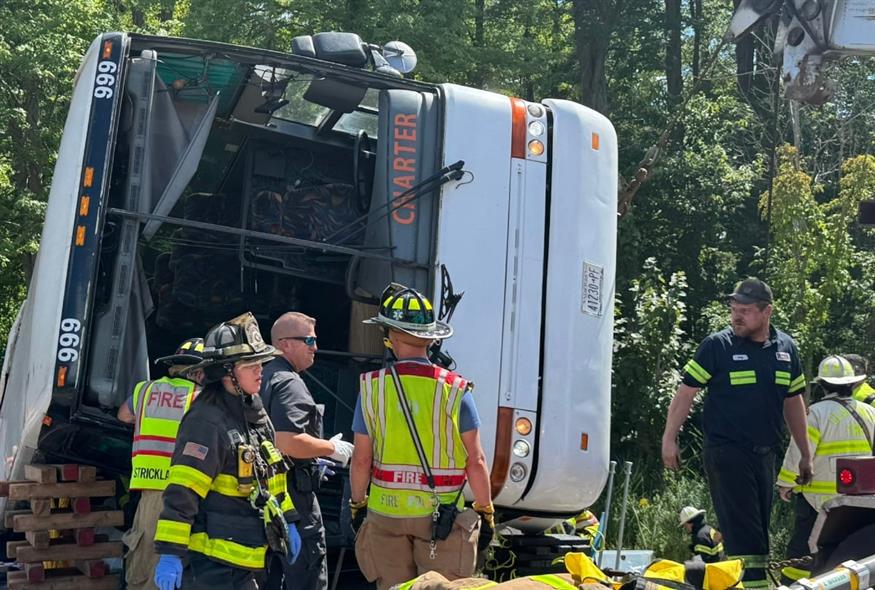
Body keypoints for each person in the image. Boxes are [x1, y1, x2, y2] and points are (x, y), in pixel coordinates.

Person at [661, 277, 812, 589]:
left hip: (764, 454)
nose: (736, 316)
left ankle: (720, 577)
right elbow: (686, 393)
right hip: (726, 451)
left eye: (744, 310)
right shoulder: (718, 346)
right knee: (749, 536)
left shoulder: (786, 349)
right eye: (733, 309)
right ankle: (753, 585)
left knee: (756, 531)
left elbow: (794, 402)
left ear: (767, 311)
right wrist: (669, 438)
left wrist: (805, 453)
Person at [349, 283, 494, 590]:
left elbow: (361, 459)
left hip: (386, 514)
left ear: (391, 337)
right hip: (440, 519)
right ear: (430, 337)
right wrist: (485, 509)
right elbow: (476, 460)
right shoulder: (456, 390)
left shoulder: (372, 388)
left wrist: (357, 503)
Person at [153, 312, 302, 590]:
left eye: (261, 362)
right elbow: (183, 491)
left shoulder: (254, 413)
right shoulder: (206, 421)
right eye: (250, 364)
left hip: (248, 560)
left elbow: (273, 475)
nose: (260, 370)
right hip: (211, 566)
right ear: (226, 372)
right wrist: (170, 551)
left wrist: (290, 519)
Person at [260, 311, 355, 590]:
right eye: (309, 340)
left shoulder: (261, 376)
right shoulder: (289, 382)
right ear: (286, 343)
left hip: (263, 497)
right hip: (293, 501)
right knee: (307, 577)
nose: (315, 347)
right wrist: (331, 449)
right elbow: (286, 441)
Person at [776, 354, 875, 584]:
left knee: (801, 555)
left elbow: (800, 453)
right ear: (853, 382)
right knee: (845, 554)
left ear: (821, 384)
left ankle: (791, 587)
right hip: (859, 504)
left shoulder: (815, 413)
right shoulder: (870, 412)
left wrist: (786, 483)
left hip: (817, 502)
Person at [118, 337, 205, 590]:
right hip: (182, 489)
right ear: (199, 371)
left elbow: (123, 415)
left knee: (144, 561)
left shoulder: (143, 390)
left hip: (149, 490)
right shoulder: (199, 398)